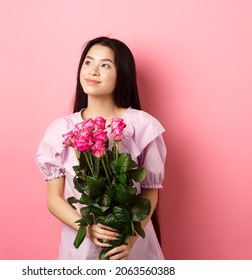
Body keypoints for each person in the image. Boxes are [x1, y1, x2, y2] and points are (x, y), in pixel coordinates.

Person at [36, 36, 167, 260]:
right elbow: (54, 200)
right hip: (79, 250)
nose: (93, 71)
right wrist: (87, 229)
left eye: (105, 65)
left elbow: (150, 191)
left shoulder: (142, 125)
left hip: (129, 248)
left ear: (122, 74)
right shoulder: (60, 130)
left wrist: (129, 241)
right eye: (88, 62)